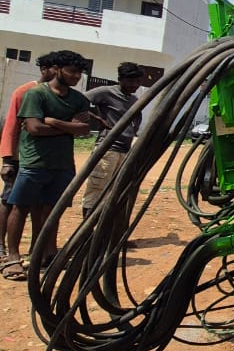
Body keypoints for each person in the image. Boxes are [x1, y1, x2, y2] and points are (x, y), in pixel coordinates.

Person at [1, 50, 91, 280]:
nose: (75, 77)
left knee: (51, 211)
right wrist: (66, 126)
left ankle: (40, 254)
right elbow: (33, 128)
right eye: (71, 71)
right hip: (34, 162)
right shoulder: (36, 94)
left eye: (79, 73)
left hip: (62, 164)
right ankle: (12, 258)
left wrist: (52, 121)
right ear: (58, 69)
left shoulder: (78, 99)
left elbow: (84, 130)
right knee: (20, 207)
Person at [0, 53, 60, 258]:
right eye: (54, 68)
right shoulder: (25, 91)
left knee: (39, 205)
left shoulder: (55, 94)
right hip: (19, 158)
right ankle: (2, 247)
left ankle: (37, 251)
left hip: (39, 160)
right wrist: (7, 159)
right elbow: (10, 127)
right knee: (10, 202)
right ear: (44, 69)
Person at [82, 61, 146, 219]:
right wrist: (97, 118)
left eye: (138, 82)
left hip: (124, 151)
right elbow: (78, 102)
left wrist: (134, 132)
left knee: (115, 192)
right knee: (96, 190)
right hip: (107, 150)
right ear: (121, 79)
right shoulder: (106, 92)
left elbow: (137, 118)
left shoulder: (133, 100)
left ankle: (106, 234)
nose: (135, 85)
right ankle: (87, 233)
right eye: (131, 81)